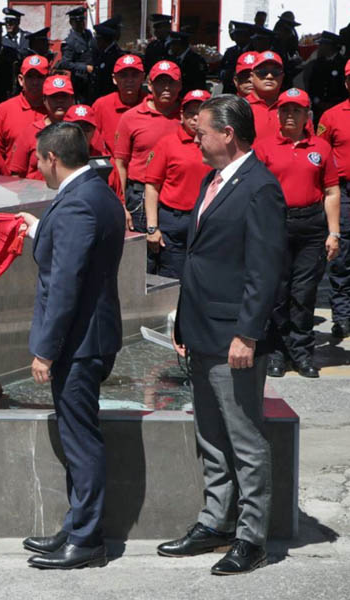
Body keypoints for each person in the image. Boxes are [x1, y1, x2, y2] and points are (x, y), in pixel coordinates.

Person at [161, 94, 286, 576]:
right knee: (210, 435)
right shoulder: (214, 181)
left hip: (233, 336)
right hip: (201, 329)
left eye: (203, 131)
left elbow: (264, 269)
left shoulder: (259, 188)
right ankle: (215, 521)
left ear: (228, 133)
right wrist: (181, 323)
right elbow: (201, 259)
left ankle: (251, 537)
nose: (196, 137)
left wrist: (248, 335)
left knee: (244, 437)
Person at [16, 122, 125, 570]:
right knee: (77, 437)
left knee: (80, 442)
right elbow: (75, 252)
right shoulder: (94, 194)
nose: (37, 167)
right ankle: (75, 524)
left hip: (81, 343)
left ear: (53, 159)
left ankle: (87, 539)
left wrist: (45, 349)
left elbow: (66, 282)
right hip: (88, 338)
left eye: (39, 159)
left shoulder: (80, 202)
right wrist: (41, 230)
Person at [256, 88, 341, 378]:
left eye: (296, 110)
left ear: (307, 115)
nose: (289, 115)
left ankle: (302, 353)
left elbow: (331, 191)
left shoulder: (321, 148)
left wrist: (334, 232)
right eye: (285, 110)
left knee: (304, 292)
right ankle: (276, 352)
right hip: (275, 224)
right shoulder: (263, 147)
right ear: (278, 114)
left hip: (311, 226)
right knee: (277, 291)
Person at [143, 89, 211, 278]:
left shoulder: (219, 144)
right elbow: (152, 187)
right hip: (175, 221)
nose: (196, 118)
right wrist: (152, 228)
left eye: (202, 113)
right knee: (173, 279)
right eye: (191, 113)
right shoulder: (167, 144)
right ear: (181, 115)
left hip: (207, 220)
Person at [114, 60, 183, 232]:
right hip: (140, 198)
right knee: (142, 255)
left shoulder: (189, 117)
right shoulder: (131, 118)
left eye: (171, 82)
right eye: (160, 82)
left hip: (179, 199)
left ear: (180, 85)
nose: (166, 87)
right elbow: (120, 164)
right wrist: (121, 204)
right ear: (150, 85)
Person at [318, 58, 350, 338]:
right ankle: (343, 316)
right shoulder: (331, 117)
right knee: (343, 256)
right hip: (345, 191)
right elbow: (321, 156)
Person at [8, 75, 75, 180]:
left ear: (72, 99)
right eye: (54, 97)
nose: (59, 101)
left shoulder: (82, 130)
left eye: (64, 96)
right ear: (44, 99)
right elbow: (16, 174)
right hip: (35, 194)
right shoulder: (30, 132)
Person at [0, 54, 49, 161]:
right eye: (30, 77)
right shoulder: (3, 111)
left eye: (40, 77)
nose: (35, 82)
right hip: (12, 177)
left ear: (47, 80)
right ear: (21, 80)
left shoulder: (54, 111)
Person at [91, 54, 145, 164]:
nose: (129, 80)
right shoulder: (101, 105)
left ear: (143, 78)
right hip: (112, 170)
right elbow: (94, 142)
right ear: (114, 79)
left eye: (134, 75)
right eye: (123, 75)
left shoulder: (150, 104)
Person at [306, 32, 348, 122]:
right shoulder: (318, 63)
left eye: (322, 44)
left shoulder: (344, 64)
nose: (319, 47)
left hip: (337, 108)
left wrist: (333, 104)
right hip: (318, 109)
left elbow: (345, 88)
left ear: (330, 46)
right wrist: (318, 102)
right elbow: (312, 85)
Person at [59, 7, 95, 103]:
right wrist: (85, 67)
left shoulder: (88, 34)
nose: (81, 24)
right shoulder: (70, 41)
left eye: (82, 21)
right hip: (80, 81)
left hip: (92, 79)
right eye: (77, 22)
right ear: (71, 23)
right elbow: (65, 63)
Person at [246, 51, 285, 140]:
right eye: (263, 72)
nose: (269, 76)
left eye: (275, 72)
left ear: (282, 77)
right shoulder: (240, 108)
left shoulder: (293, 107)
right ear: (251, 77)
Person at [91, 16, 124, 103]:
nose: (96, 43)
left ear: (103, 41)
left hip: (108, 97)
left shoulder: (113, 55)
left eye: (98, 40)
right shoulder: (103, 53)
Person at [220, 22, 253, 94]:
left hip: (246, 88)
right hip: (230, 88)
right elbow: (222, 68)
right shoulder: (230, 51)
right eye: (235, 34)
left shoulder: (253, 51)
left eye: (239, 34)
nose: (236, 37)